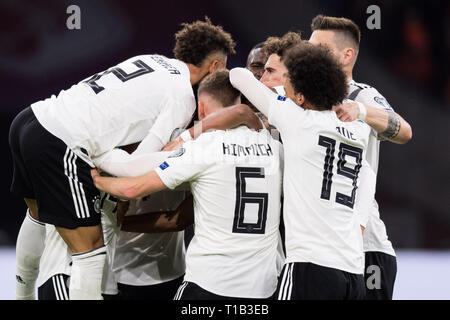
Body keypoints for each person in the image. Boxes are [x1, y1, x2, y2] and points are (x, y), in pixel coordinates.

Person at [9, 17, 236, 300]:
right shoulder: (182, 98)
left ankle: (21, 295)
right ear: (214, 66)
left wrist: (106, 155)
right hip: (61, 141)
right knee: (90, 251)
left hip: (31, 118)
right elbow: (140, 161)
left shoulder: (151, 59)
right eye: (222, 69)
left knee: (37, 217)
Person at [92, 70, 284, 300]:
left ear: (200, 108)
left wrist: (97, 178)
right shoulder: (274, 147)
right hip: (264, 288)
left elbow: (132, 188)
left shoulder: (201, 149)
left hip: (210, 284)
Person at [229, 41, 376, 300]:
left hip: (309, 266)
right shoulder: (359, 130)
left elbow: (238, 76)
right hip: (353, 271)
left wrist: (278, 91)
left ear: (300, 96)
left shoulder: (297, 120)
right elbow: (368, 174)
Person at [309, 14, 413, 299]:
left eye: (320, 49)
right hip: (317, 246)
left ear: (347, 55)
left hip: (365, 246)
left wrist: (362, 111)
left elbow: (403, 131)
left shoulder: (361, 94)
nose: (311, 55)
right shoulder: (300, 99)